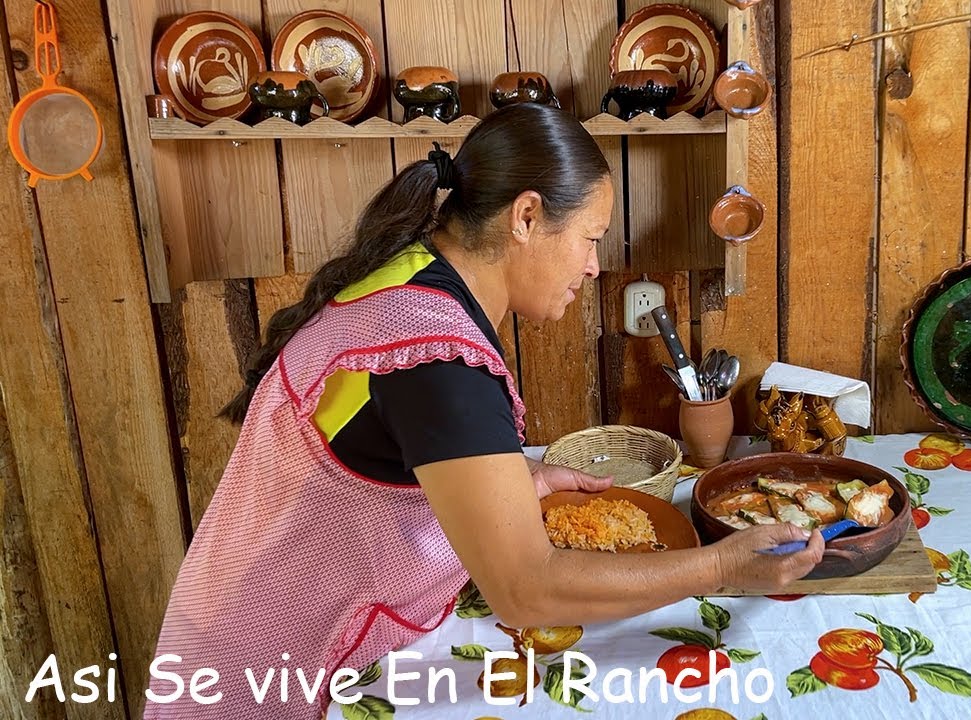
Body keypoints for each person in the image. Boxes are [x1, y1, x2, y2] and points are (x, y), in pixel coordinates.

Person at [145, 103, 823, 719]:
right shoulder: (436, 354)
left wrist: (512, 489)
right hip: (261, 677)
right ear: (526, 217)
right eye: (591, 237)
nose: (593, 266)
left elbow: (375, 470)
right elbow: (526, 591)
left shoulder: (411, 277)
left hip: (242, 627)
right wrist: (722, 568)